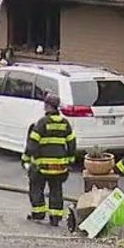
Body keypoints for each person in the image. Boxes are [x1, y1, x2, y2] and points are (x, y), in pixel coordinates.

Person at [22, 94, 76, 226]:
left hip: (42, 165)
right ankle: (55, 217)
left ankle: (38, 213)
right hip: (59, 166)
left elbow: (32, 144)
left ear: (47, 106)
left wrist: (26, 159)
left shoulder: (42, 123)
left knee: (36, 188)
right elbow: (72, 143)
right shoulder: (65, 124)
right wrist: (69, 161)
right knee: (56, 190)